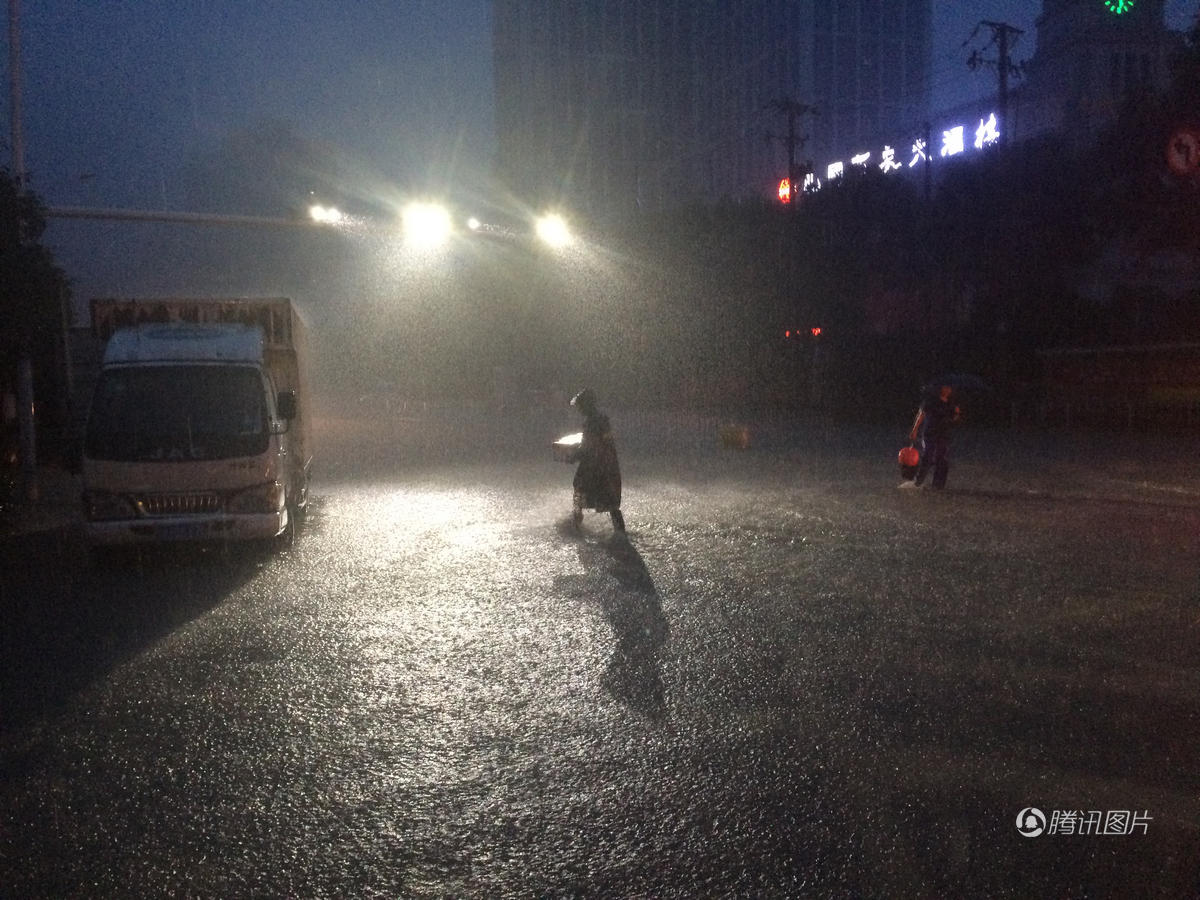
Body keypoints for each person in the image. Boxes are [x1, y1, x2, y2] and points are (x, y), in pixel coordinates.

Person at [568, 388, 625, 531]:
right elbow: (600, 443)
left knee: (579, 496)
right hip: (607, 464)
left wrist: (574, 455)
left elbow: (590, 446)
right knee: (611, 503)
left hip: (594, 466)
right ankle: (621, 535)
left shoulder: (592, 422)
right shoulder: (601, 420)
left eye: (580, 406)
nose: (579, 409)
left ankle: (575, 529)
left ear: (587, 405)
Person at [905, 383, 961, 490]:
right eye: (946, 387)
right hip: (930, 432)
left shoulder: (951, 404)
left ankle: (938, 484)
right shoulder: (931, 401)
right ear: (940, 388)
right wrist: (915, 429)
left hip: (944, 433)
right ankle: (918, 482)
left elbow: (954, 420)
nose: (948, 390)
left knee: (942, 459)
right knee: (928, 456)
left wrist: (957, 414)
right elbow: (921, 414)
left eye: (950, 388)